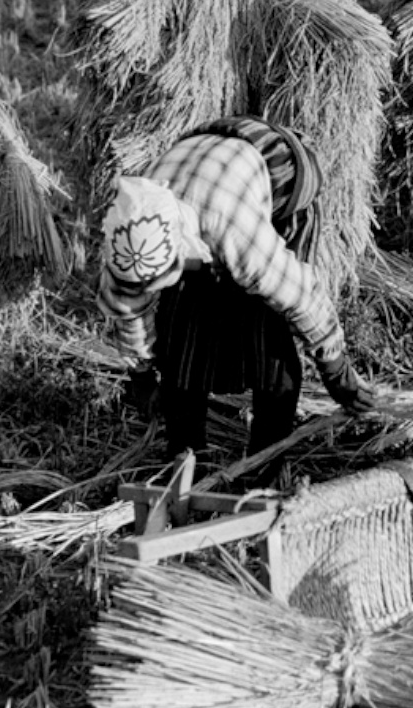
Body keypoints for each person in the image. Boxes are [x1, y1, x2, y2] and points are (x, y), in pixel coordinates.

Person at [98, 115, 375, 472]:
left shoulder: (236, 234)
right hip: (207, 164)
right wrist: (143, 376)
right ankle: (184, 453)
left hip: (278, 174)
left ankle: (266, 462)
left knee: (267, 327)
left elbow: (301, 296)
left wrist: (338, 373)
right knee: (181, 316)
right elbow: (129, 308)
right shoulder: (130, 232)